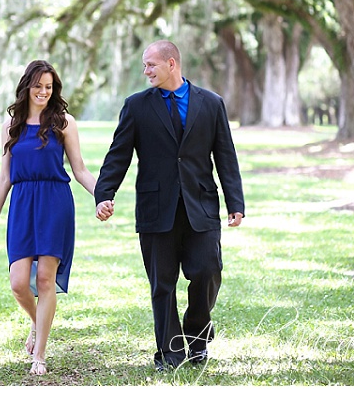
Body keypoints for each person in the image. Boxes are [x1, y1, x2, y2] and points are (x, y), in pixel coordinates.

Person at [93, 40, 245, 370]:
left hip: (200, 205)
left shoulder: (211, 103)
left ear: (172, 64)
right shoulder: (136, 106)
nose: (145, 71)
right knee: (162, 285)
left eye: (151, 65)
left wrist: (236, 201)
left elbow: (225, 156)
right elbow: (118, 155)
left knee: (207, 272)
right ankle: (169, 353)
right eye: (144, 65)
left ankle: (198, 338)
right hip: (155, 209)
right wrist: (105, 194)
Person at [0, 60, 96, 376]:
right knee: (19, 283)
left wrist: (102, 195)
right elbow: (4, 176)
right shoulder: (12, 125)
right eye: (38, 86)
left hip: (54, 203)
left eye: (49, 87)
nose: (43, 92)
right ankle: (38, 323)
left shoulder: (64, 123)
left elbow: (80, 170)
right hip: (22, 203)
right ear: (26, 87)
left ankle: (40, 356)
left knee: (45, 279)